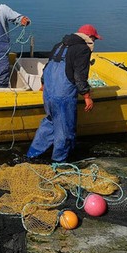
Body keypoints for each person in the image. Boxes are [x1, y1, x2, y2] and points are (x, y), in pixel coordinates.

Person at [26, 24, 102, 162]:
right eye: (94, 39)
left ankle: (33, 154)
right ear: (90, 37)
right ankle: (59, 161)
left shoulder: (59, 45)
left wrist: (43, 84)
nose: (94, 42)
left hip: (49, 92)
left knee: (49, 122)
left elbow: (47, 66)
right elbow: (80, 75)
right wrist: (87, 96)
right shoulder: (83, 49)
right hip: (63, 95)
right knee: (65, 129)